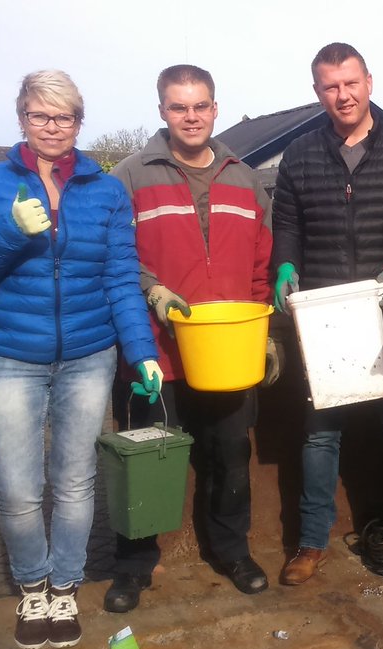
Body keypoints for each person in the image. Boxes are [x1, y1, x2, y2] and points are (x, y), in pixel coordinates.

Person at [0, 69, 161, 649]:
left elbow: (121, 279)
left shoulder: (106, 190)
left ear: (78, 122)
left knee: (74, 482)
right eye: (40, 115)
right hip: (11, 357)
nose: (51, 126)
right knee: (19, 489)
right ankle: (32, 587)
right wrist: (11, 231)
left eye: (63, 116)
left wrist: (142, 352)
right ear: (22, 117)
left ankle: (64, 587)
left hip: (89, 356)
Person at [103, 64, 277, 614]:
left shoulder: (245, 180)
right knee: (146, 461)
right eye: (179, 107)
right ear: (162, 111)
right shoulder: (129, 177)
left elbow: (261, 270)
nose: (191, 116)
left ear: (215, 109)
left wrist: (264, 337)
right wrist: (151, 288)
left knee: (230, 455)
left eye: (200, 105)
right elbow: (112, 258)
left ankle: (232, 551)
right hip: (155, 352)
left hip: (227, 355)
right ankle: (133, 564)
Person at [271, 43, 383, 597]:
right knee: (320, 434)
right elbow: (287, 224)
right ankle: (310, 542)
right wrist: (286, 263)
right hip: (325, 315)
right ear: (317, 92)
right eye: (330, 86)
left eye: (350, 83)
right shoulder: (299, 155)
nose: (342, 95)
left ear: (369, 81)